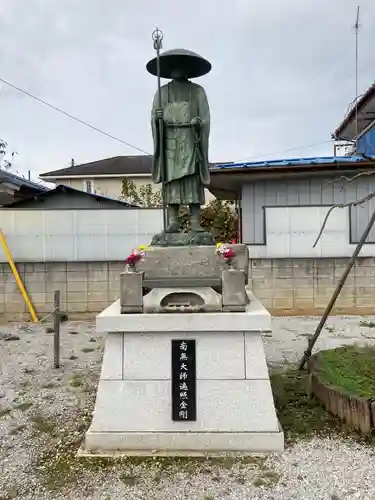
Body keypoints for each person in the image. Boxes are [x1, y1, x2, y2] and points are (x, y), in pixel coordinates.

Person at [147, 49, 212, 233]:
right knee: (171, 181)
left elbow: (205, 117)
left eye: (183, 66)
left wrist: (198, 123)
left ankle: (194, 220)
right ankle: (173, 220)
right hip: (169, 141)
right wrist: (157, 119)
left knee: (192, 178)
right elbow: (153, 117)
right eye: (174, 66)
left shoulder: (198, 91)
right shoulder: (162, 92)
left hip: (191, 139)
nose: (178, 69)